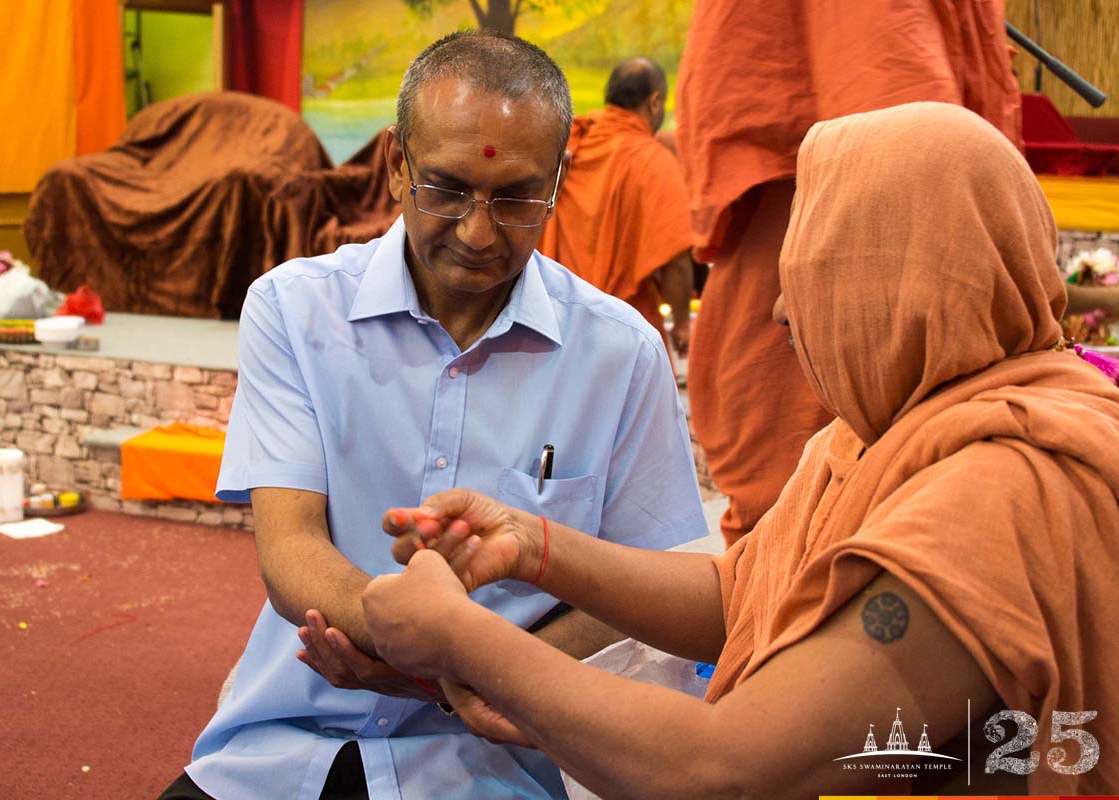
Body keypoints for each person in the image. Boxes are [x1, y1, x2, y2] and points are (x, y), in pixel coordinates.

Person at [362, 103, 1119, 798]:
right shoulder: (879, 434)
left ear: (905, 285)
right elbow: (743, 595)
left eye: (819, 269)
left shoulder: (1003, 485)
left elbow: (725, 769)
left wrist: (462, 637)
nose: (785, 310)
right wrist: (536, 547)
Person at [158, 30, 707, 800]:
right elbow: (291, 549)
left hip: (499, 756)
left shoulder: (620, 355)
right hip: (287, 742)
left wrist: (466, 675)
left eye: (516, 198)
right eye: (445, 188)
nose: (478, 233)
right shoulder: (294, 309)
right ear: (394, 163)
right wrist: (406, 645)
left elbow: (653, 590)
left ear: (560, 180)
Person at [676, 0, 1023, 545]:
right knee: (799, 524)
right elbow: (909, 138)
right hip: (845, 237)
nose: (782, 312)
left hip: (832, 240)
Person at [537, 58, 694, 359]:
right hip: (623, 335)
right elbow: (676, 260)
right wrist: (683, 323)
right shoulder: (653, 161)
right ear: (656, 102)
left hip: (551, 323)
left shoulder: (568, 146)